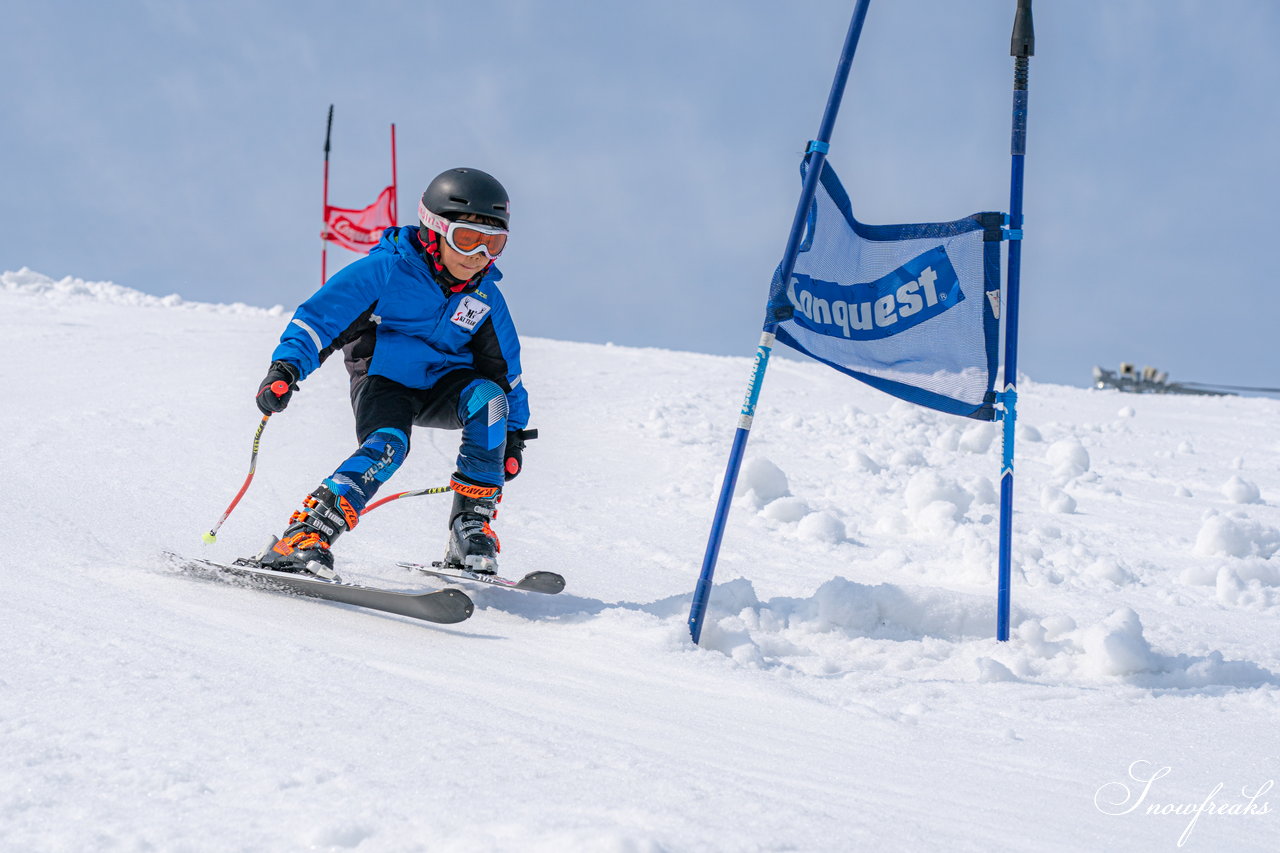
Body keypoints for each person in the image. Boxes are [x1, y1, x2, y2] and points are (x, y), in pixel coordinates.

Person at [251, 167, 535, 580]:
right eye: (468, 238)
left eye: (493, 243)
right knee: (388, 447)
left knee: (491, 401)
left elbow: (507, 373)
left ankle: (469, 527)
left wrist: (513, 436)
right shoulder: (386, 270)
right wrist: (286, 367)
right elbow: (319, 321)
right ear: (434, 230)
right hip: (384, 380)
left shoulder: (485, 296)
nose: (479, 255)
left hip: (444, 388)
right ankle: (304, 535)